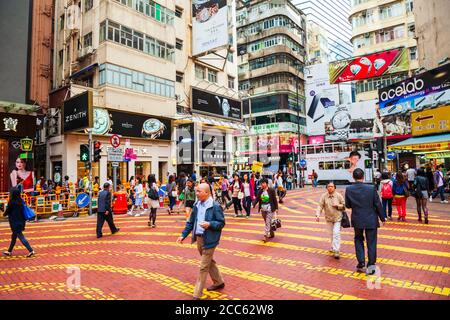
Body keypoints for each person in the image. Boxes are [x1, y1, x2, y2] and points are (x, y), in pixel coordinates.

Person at [176, 183, 226, 300]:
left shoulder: (215, 206)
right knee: (209, 261)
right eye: (196, 191)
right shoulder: (197, 204)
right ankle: (219, 281)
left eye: (199, 191)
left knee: (203, 266)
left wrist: (210, 224)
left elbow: (221, 223)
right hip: (199, 238)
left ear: (206, 193)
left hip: (210, 239)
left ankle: (197, 294)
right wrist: (183, 235)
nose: (196, 193)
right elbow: (190, 222)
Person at [345, 168, 385, 274]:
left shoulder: (349, 189)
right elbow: (378, 204)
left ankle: (361, 262)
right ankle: (371, 265)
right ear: (363, 176)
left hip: (357, 219)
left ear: (353, 177)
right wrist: (382, 217)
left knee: (358, 239)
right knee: (371, 242)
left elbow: (348, 205)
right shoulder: (371, 188)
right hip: (371, 219)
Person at [316, 181, 345, 259]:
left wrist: (338, 206)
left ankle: (336, 250)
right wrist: (318, 215)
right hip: (328, 219)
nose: (330, 188)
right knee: (331, 234)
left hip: (337, 218)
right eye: (328, 186)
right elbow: (320, 205)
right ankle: (333, 247)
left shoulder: (338, 196)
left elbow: (344, 205)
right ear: (326, 188)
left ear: (335, 187)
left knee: (336, 233)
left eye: (332, 186)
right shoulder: (324, 196)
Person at [2, 188, 35, 257]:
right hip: (21, 221)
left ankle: (31, 250)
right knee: (14, 237)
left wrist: (4, 214)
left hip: (15, 222)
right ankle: (9, 251)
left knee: (21, 236)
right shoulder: (21, 201)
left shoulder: (12, 202)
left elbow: (8, 210)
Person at [253, 178, 278, 242]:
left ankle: (265, 235)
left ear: (266, 184)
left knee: (267, 222)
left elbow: (275, 200)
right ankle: (271, 232)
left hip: (270, 209)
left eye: (264, 183)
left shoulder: (271, 190)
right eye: (261, 183)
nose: (262, 184)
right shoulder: (260, 191)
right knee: (267, 222)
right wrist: (253, 204)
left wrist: (276, 208)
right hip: (263, 209)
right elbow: (257, 199)